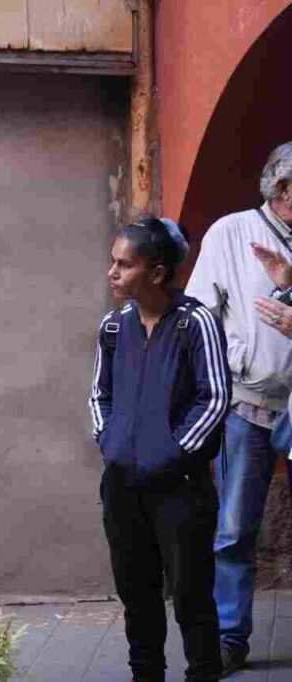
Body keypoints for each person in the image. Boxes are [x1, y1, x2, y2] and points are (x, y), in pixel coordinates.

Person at [90, 216, 229, 682]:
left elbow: (214, 398)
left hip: (180, 489)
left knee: (191, 596)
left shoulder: (196, 323)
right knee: (137, 596)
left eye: (124, 264)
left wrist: (172, 452)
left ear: (156, 272)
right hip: (123, 487)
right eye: (113, 262)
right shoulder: (114, 327)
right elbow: (99, 395)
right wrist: (110, 441)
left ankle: (203, 673)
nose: (112, 272)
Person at [184, 140, 292, 674]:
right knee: (234, 528)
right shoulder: (231, 233)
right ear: (284, 187)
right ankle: (229, 637)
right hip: (248, 402)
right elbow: (200, 318)